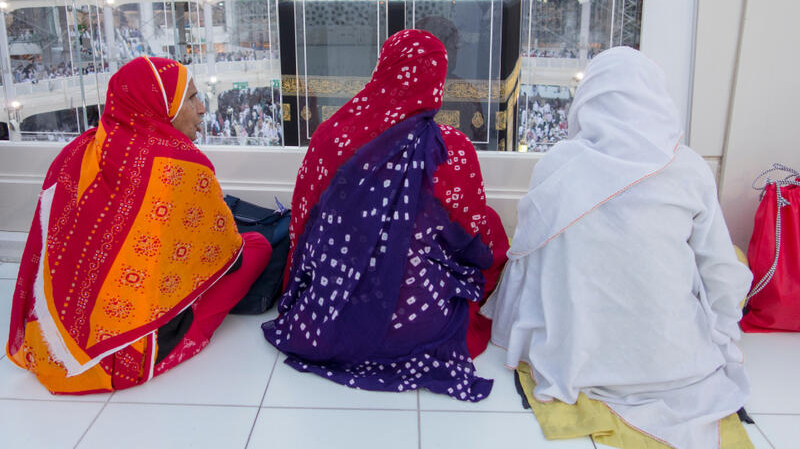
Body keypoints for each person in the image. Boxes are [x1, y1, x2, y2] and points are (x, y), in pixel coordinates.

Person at [482, 47, 753, 448]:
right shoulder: (688, 166)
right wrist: (723, 333)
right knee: (731, 258)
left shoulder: (559, 164)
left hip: (574, 355)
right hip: (676, 361)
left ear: (588, 99)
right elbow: (720, 274)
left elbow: (527, 261)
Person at [263, 29, 508, 401]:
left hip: (329, 315)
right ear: (437, 80)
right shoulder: (451, 150)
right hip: (420, 320)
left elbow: (302, 224)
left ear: (383, 69)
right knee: (487, 222)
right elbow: (472, 234)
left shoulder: (331, 136)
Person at [6, 56, 271, 394]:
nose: (203, 108)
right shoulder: (178, 166)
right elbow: (225, 251)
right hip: (126, 356)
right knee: (257, 247)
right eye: (190, 98)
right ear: (158, 107)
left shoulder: (76, 152)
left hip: (50, 340)